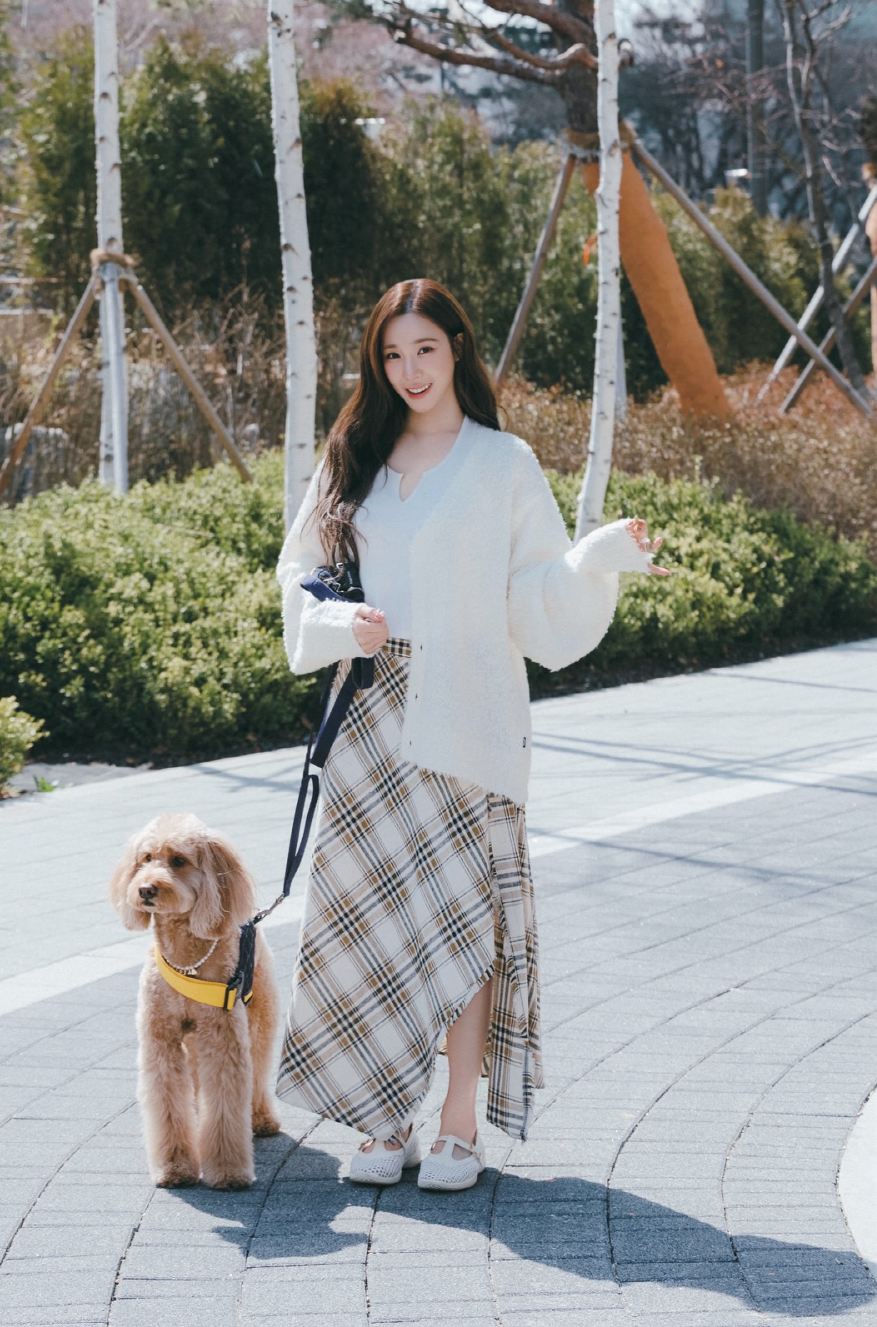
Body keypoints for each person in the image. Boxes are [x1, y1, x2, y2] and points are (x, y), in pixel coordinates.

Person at [274, 278, 668, 1192]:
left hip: (467, 709)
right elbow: (300, 574)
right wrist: (343, 626)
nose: (410, 371)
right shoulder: (351, 457)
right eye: (393, 355)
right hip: (370, 707)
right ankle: (380, 1115)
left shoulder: (503, 463)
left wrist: (596, 558)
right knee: (368, 917)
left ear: (457, 348)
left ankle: (456, 1122)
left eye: (426, 351)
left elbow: (530, 596)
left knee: (460, 920)